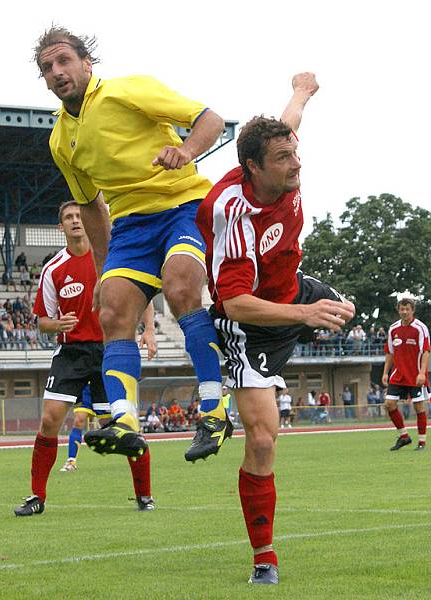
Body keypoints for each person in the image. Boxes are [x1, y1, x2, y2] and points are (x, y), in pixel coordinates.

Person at [33, 27, 230, 465]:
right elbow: (89, 206)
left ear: (87, 63)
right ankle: (123, 419)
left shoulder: (128, 90)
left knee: (180, 288)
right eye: (47, 68)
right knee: (113, 308)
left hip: (183, 204)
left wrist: (187, 151)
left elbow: (211, 120)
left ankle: (215, 410)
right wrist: (104, 273)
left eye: (64, 60)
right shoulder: (60, 141)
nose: (57, 71)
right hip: (130, 226)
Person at [195, 73, 355, 584]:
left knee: (347, 311)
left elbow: (287, 125)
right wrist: (307, 316)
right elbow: (237, 302)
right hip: (251, 324)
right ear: (253, 168)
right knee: (263, 442)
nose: (296, 165)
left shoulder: (280, 157)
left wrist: (302, 92)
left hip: (293, 289)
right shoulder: (233, 213)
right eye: (284, 160)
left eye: (296, 155)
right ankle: (264, 558)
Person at [14, 202, 157, 517]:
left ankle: (144, 495)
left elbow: (142, 292)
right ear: (60, 226)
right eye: (68, 217)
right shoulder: (53, 269)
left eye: (79, 216)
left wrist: (148, 330)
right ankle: (37, 497)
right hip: (71, 352)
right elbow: (42, 322)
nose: (75, 221)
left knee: (124, 426)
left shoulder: (112, 258)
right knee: (50, 419)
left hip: (111, 349)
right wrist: (58, 324)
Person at [382, 298, 429, 451]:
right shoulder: (393, 329)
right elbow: (389, 352)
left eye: (407, 309)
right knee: (389, 404)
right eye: (402, 309)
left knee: (419, 407)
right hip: (398, 374)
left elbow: (426, 352)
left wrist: (422, 373)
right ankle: (404, 437)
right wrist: (385, 373)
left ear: (412, 310)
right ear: (398, 310)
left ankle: (422, 442)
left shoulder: (420, 328)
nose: (404, 312)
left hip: (415, 375)